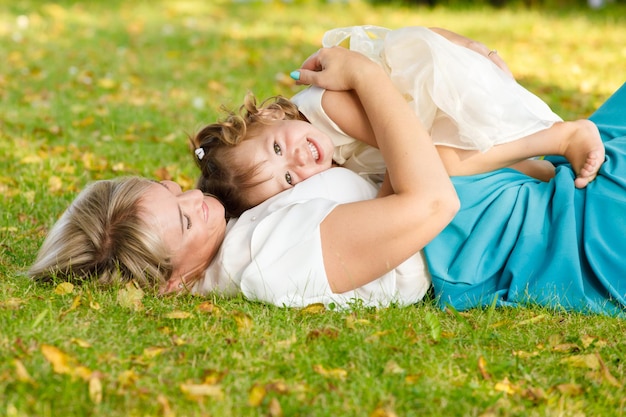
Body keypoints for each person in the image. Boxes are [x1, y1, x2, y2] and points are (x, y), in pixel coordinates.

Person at [28, 45, 460, 304]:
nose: (196, 197)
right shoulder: (270, 258)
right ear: (172, 284)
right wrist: (367, 76)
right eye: (185, 219)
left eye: (170, 189)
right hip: (484, 228)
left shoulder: (227, 233)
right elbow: (434, 203)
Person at [192, 25, 603, 217]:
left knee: (440, 162)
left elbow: (407, 142)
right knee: (451, 163)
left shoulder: (325, 108)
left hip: (447, 94)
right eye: (287, 180)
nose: (298, 162)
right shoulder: (321, 148)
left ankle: (564, 136)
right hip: (444, 105)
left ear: (267, 117)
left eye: (278, 149)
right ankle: (541, 168)